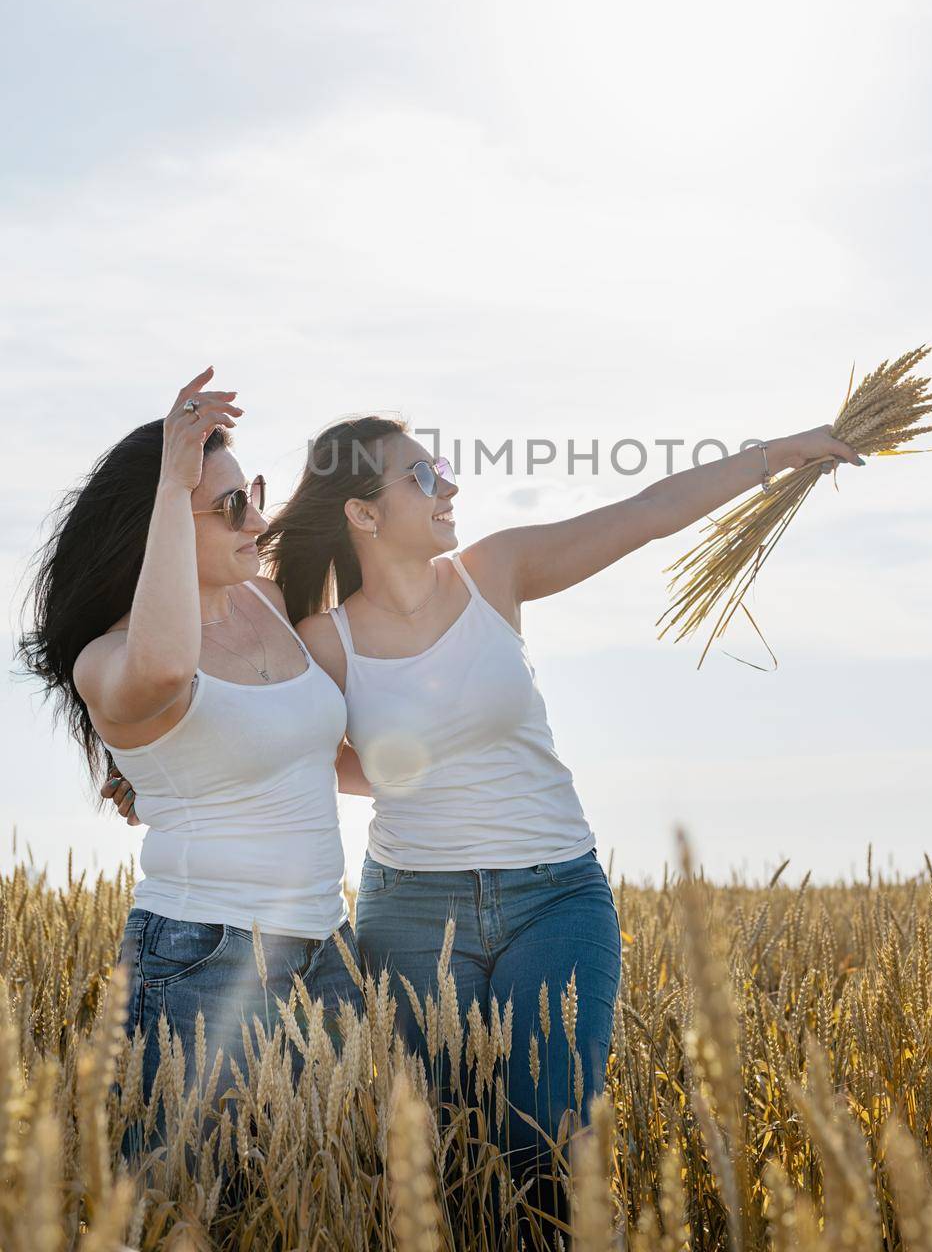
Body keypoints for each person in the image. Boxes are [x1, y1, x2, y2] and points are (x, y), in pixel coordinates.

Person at [254, 408, 863, 1229]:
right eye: (423, 476)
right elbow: (296, 752)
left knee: (549, 1149)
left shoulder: (493, 571)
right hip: (412, 915)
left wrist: (781, 454)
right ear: (362, 514)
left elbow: (643, 515)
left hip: (556, 898)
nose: (450, 485)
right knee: (449, 1166)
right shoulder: (325, 642)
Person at [17, 367, 366, 1159]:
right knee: (193, 1213)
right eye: (231, 505)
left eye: (258, 491)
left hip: (327, 949)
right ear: (161, 524)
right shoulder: (108, 660)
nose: (258, 519)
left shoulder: (273, 604)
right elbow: (169, 670)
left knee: (323, 1202)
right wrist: (174, 488)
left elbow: (328, 753)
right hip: (205, 958)